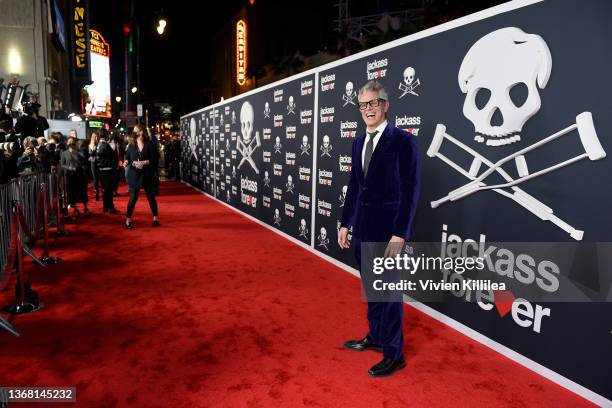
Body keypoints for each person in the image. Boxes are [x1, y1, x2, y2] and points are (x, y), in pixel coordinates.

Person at [338, 80, 420, 378]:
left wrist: (401, 232)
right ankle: (375, 337)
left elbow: (411, 190)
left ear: (385, 105)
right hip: (361, 229)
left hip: (389, 234)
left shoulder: (403, 141)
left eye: (373, 103)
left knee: (389, 294)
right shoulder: (359, 142)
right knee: (372, 290)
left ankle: (394, 353)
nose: (368, 109)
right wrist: (346, 222)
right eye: (363, 105)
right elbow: (355, 186)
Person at [124, 124, 159, 228]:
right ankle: (128, 221)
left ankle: (155, 219)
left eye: (135, 131)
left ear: (141, 132)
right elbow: (127, 157)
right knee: (133, 197)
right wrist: (126, 161)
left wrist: (144, 162)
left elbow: (155, 160)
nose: (134, 132)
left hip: (147, 175)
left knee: (151, 197)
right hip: (134, 175)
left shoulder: (150, 144)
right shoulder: (131, 145)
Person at [60, 137, 89, 216]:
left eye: (73, 142)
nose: (71, 144)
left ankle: (85, 208)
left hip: (80, 175)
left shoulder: (80, 152)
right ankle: (75, 209)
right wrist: (69, 168)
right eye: (70, 142)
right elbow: (62, 165)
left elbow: (85, 163)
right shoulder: (64, 153)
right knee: (72, 193)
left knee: (82, 192)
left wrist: (77, 154)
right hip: (70, 176)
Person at [95, 129, 119, 213]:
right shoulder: (105, 145)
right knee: (109, 190)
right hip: (107, 170)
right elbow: (113, 154)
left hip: (101, 170)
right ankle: (110, 207)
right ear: (106, 136)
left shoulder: (99, 145)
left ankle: (106, 206)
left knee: (105, 190)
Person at [88, 131, 100, 200]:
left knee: (100, 178)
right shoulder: (90, 145)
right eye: (95, 137)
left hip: (100, 162)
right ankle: (96, 193)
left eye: (97, 136)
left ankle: (102, 191)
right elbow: (90, 154)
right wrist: (94, 149)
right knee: (95, 178)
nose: (96, 138)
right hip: (93, 163)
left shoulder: (100, 144)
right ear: (92, 138)